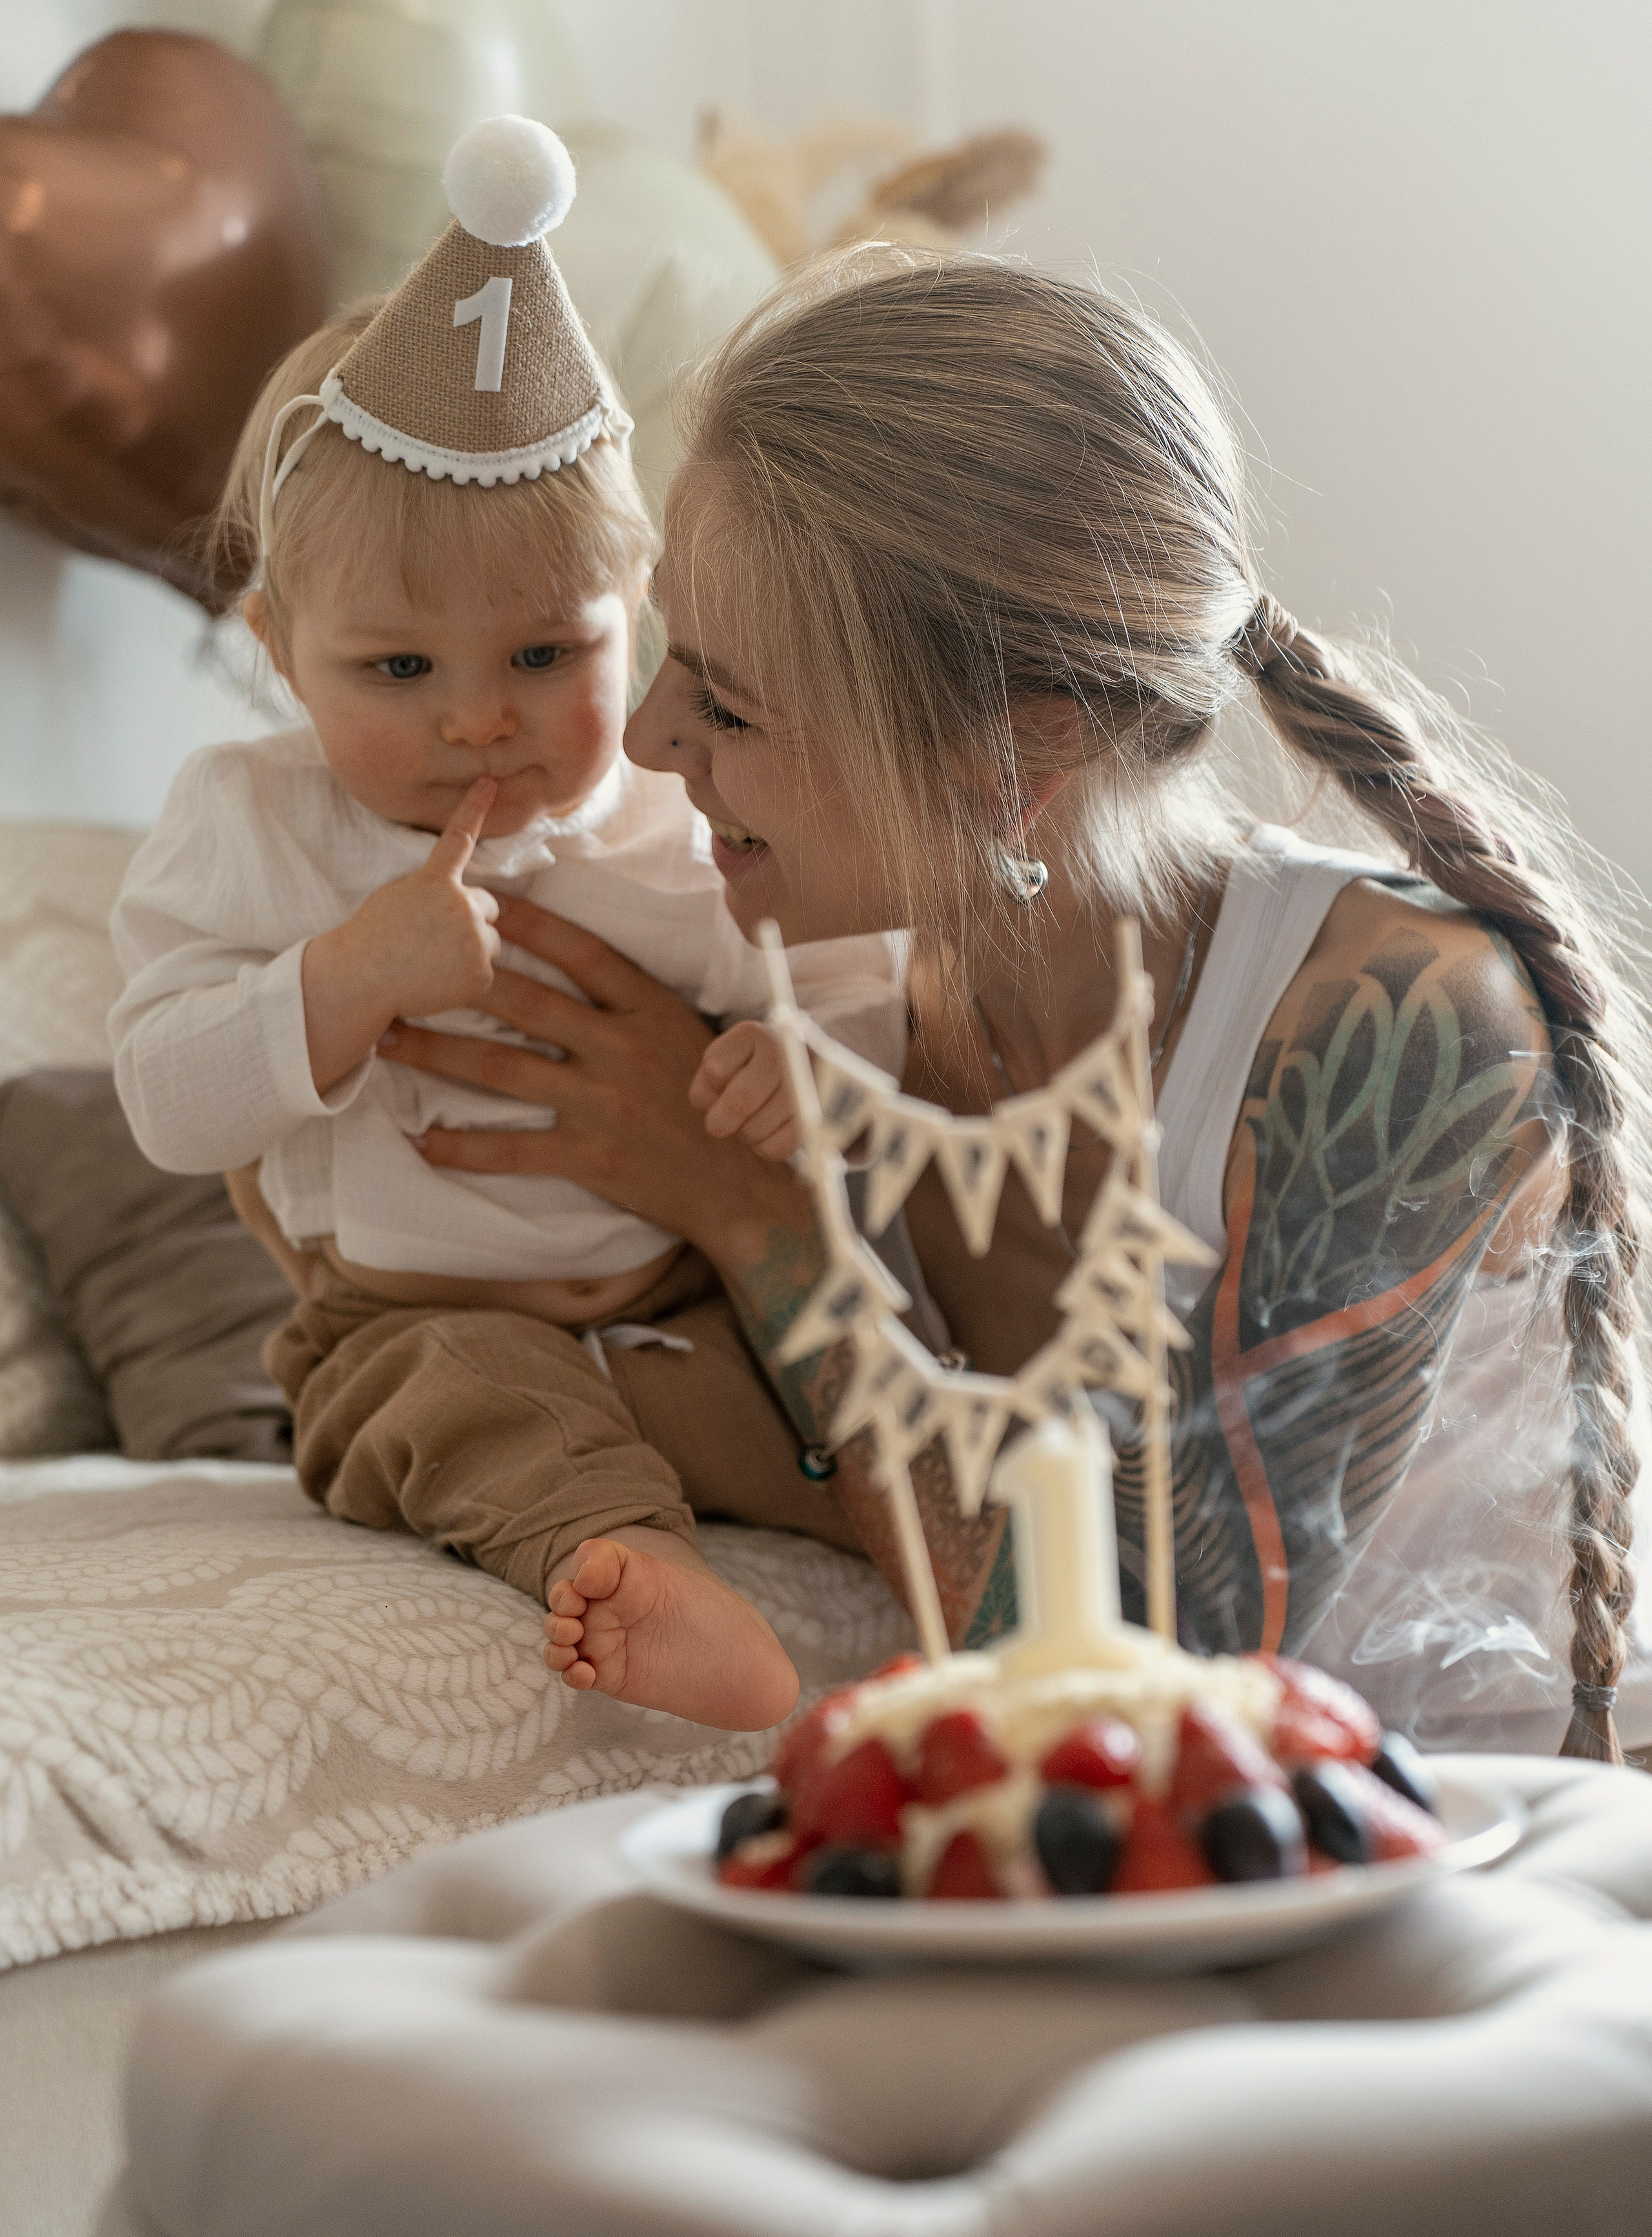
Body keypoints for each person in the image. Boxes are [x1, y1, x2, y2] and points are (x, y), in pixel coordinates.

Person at [381, 247, 1651, 1764]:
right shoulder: (817, 1001)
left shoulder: (1394, 1028)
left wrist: (760, 1224)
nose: (649, 740)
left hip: (1511, 1867)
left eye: (726, 702)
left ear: (1013, 759)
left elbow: (1134, 1674)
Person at [107, 122, 904, 1735]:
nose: (480, 723)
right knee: (469, 1412)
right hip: (410, 1312)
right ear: (277, 648)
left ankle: (972, 1621)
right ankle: (620, 1562)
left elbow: (865, 978)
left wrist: (804, 1057)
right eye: (397, 672)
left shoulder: (678, 819)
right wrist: (339, 983)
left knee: (858, 1419)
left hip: (686, 1298)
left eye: (548, 654)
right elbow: (165, 1101)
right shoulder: (257, 825)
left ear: (641, 618)